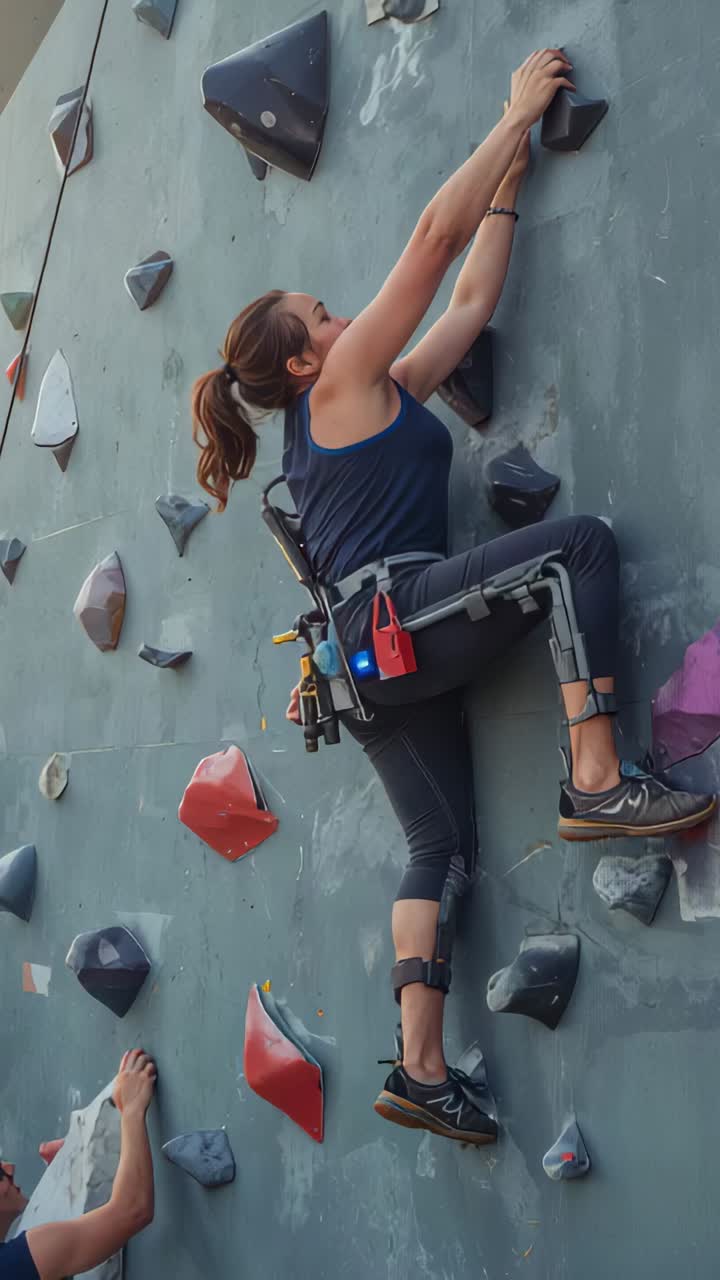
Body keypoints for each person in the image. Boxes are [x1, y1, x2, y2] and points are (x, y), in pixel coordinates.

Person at [190, 50, 715, 1145]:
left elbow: (468, 299)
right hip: (392, 626)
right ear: (303, 365)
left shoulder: (378, 392)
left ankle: (422, 1071)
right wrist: (512, 113)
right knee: (575, 551)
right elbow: (432, 242)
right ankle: (597, 779)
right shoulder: (337, 389)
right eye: (323, 315)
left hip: (371, 668)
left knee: (441, 851)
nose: (341, 317)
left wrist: (511, 183)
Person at [0, 1050, 156, 1279]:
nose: (10, 1168)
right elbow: (132, 1211)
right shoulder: (11, 1266)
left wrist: (62, 1178)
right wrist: (132, 1109)